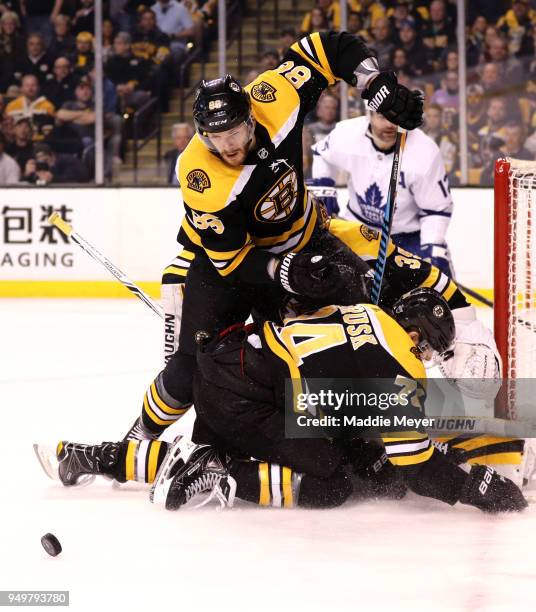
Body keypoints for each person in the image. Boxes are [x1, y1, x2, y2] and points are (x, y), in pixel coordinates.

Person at [123, 31, 501, 448]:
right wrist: (283, 270)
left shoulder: (275, 98)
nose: (228, 146)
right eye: (216, 138)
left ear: (251, 116)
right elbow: (231, 262)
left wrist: (374, 84)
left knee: (353, 335)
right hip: (232, 266)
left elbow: (326, 49)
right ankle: (140, 437)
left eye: (235, 132)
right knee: (191, 368)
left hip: (306, 237)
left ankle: (373, 435)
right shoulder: (200, 175)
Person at [38, 289, 527, 514]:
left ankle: (88, 455)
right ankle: (223, 472)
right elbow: (417, 465)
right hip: (253, 397)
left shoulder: (367, 310)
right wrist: (473, 488)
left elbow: (339, 391)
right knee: (332, 481)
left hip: (229, 366)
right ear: (419, 334)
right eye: (432, 346)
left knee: (348, 450)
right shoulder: (403, 369)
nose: (432, 358)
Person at [311, 111, 454, 275]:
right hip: (358, 229)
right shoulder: (348, 133)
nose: (390, 124)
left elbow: (436, 209)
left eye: (396, 117)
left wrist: (432, 246)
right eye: (382, 116)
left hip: (407, 237)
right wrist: (323, 184)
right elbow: (322, 153)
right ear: (369, 115)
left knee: (439, 288)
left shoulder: (424, 151)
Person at [5, 74, 55, 141]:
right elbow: (8, 127)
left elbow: (49, 131)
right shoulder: (11, 106)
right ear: (21, 88)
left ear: (38, 87)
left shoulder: (48, 106)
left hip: (39, 142)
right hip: (16, 142)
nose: (30, 88)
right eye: (27, 85)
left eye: (33, 85)